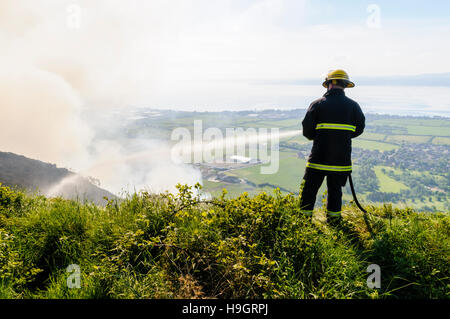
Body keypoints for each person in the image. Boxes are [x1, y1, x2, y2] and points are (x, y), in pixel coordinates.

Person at [299, 69, 365, 225]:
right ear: (345, 86)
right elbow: (359, 128)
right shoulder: (353, 106)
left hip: (318, 159)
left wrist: (321, 138)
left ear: (328, 84)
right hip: (340, 161)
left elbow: (307, 130)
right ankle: (334, 223)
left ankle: (303, 223)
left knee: (309, 191)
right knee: (335, 192)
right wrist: (342, 137)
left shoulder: (317, 104)